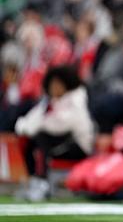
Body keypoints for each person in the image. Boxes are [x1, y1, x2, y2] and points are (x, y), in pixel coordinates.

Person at [14, 66, 94, 201]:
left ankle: (43, 182)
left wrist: (37, 126)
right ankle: (34, 180)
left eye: (58, 84)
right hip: (59, 142)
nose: (54, 88)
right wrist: (28, 128)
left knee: (41, 137)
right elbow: (27, 122)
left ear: (66, 84)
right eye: (52, 84)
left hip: (78, 145)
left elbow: (62, 125)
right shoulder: (48, 102)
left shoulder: (76, 98)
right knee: (29, 140)